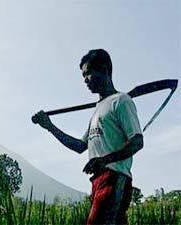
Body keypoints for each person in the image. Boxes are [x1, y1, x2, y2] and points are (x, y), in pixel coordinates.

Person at [33, 49, 144, 225]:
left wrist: (104, 160)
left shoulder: (121, 101)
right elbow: (79, 146)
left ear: (105, 69)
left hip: (114, 179)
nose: (85, 80)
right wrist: (49, 127)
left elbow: (137, 141)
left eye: (89, 73)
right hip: (97, 182)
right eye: (83, 76)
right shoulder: (98, 110)